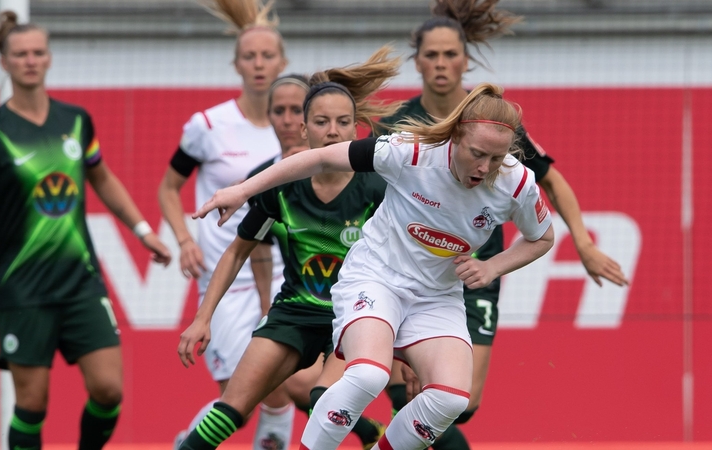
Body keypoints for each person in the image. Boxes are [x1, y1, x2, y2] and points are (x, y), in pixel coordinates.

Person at [194, 82, 556, 450]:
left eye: (495, 159)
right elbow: (320, 158)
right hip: (376, 278)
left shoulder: (517, 182)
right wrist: (243, 191)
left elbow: (542, 238)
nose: (485, 167)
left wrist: (494, 267)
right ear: (456, 135)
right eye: (477, 153)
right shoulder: (410, 152)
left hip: (437, 297)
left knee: (451, 400)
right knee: (368, 374)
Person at [378, 1, 629, 448]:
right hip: (405, 275)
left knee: (463, 402)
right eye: (431, 55)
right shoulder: (398, 126)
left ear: (466, 58)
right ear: (416, 60)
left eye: (450, 54)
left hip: (476, 272)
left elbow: (549, 181)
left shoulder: (493, 123)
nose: (441, 63)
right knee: (413, 394)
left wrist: (585, 246)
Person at [0, 11, 172, 450]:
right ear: (5, 63)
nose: (30, 61)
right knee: (32, 404)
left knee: (109, 389)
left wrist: (142, 229)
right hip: (23, 288)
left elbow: (102, 177)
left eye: (37, 52)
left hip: (80, 283)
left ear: (49, 59)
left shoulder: (76, 121)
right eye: (20, 54)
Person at [176, 46, 402, 450]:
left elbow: (405, 268)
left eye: (342, 122)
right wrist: (202, 318)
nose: (332, 131)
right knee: (230, 410)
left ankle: (371, 434)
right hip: (293, 313)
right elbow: (238, 251)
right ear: (304, 129)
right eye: (321, 122)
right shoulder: (276, 184)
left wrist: (407, 343)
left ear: (356, 129)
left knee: (321, 400)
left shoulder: (378, 188)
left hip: (353, 317)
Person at [155, 0, 294, 448]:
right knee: (238, 394)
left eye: (267, 56)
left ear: (283, 62)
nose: (258, 64)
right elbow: (168, 188)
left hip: (285, 277)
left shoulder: (298, 127)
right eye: (249, 56)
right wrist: (183, 239)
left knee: (280, 389)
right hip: (226, 278)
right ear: (236, 63)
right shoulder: (209, 125)